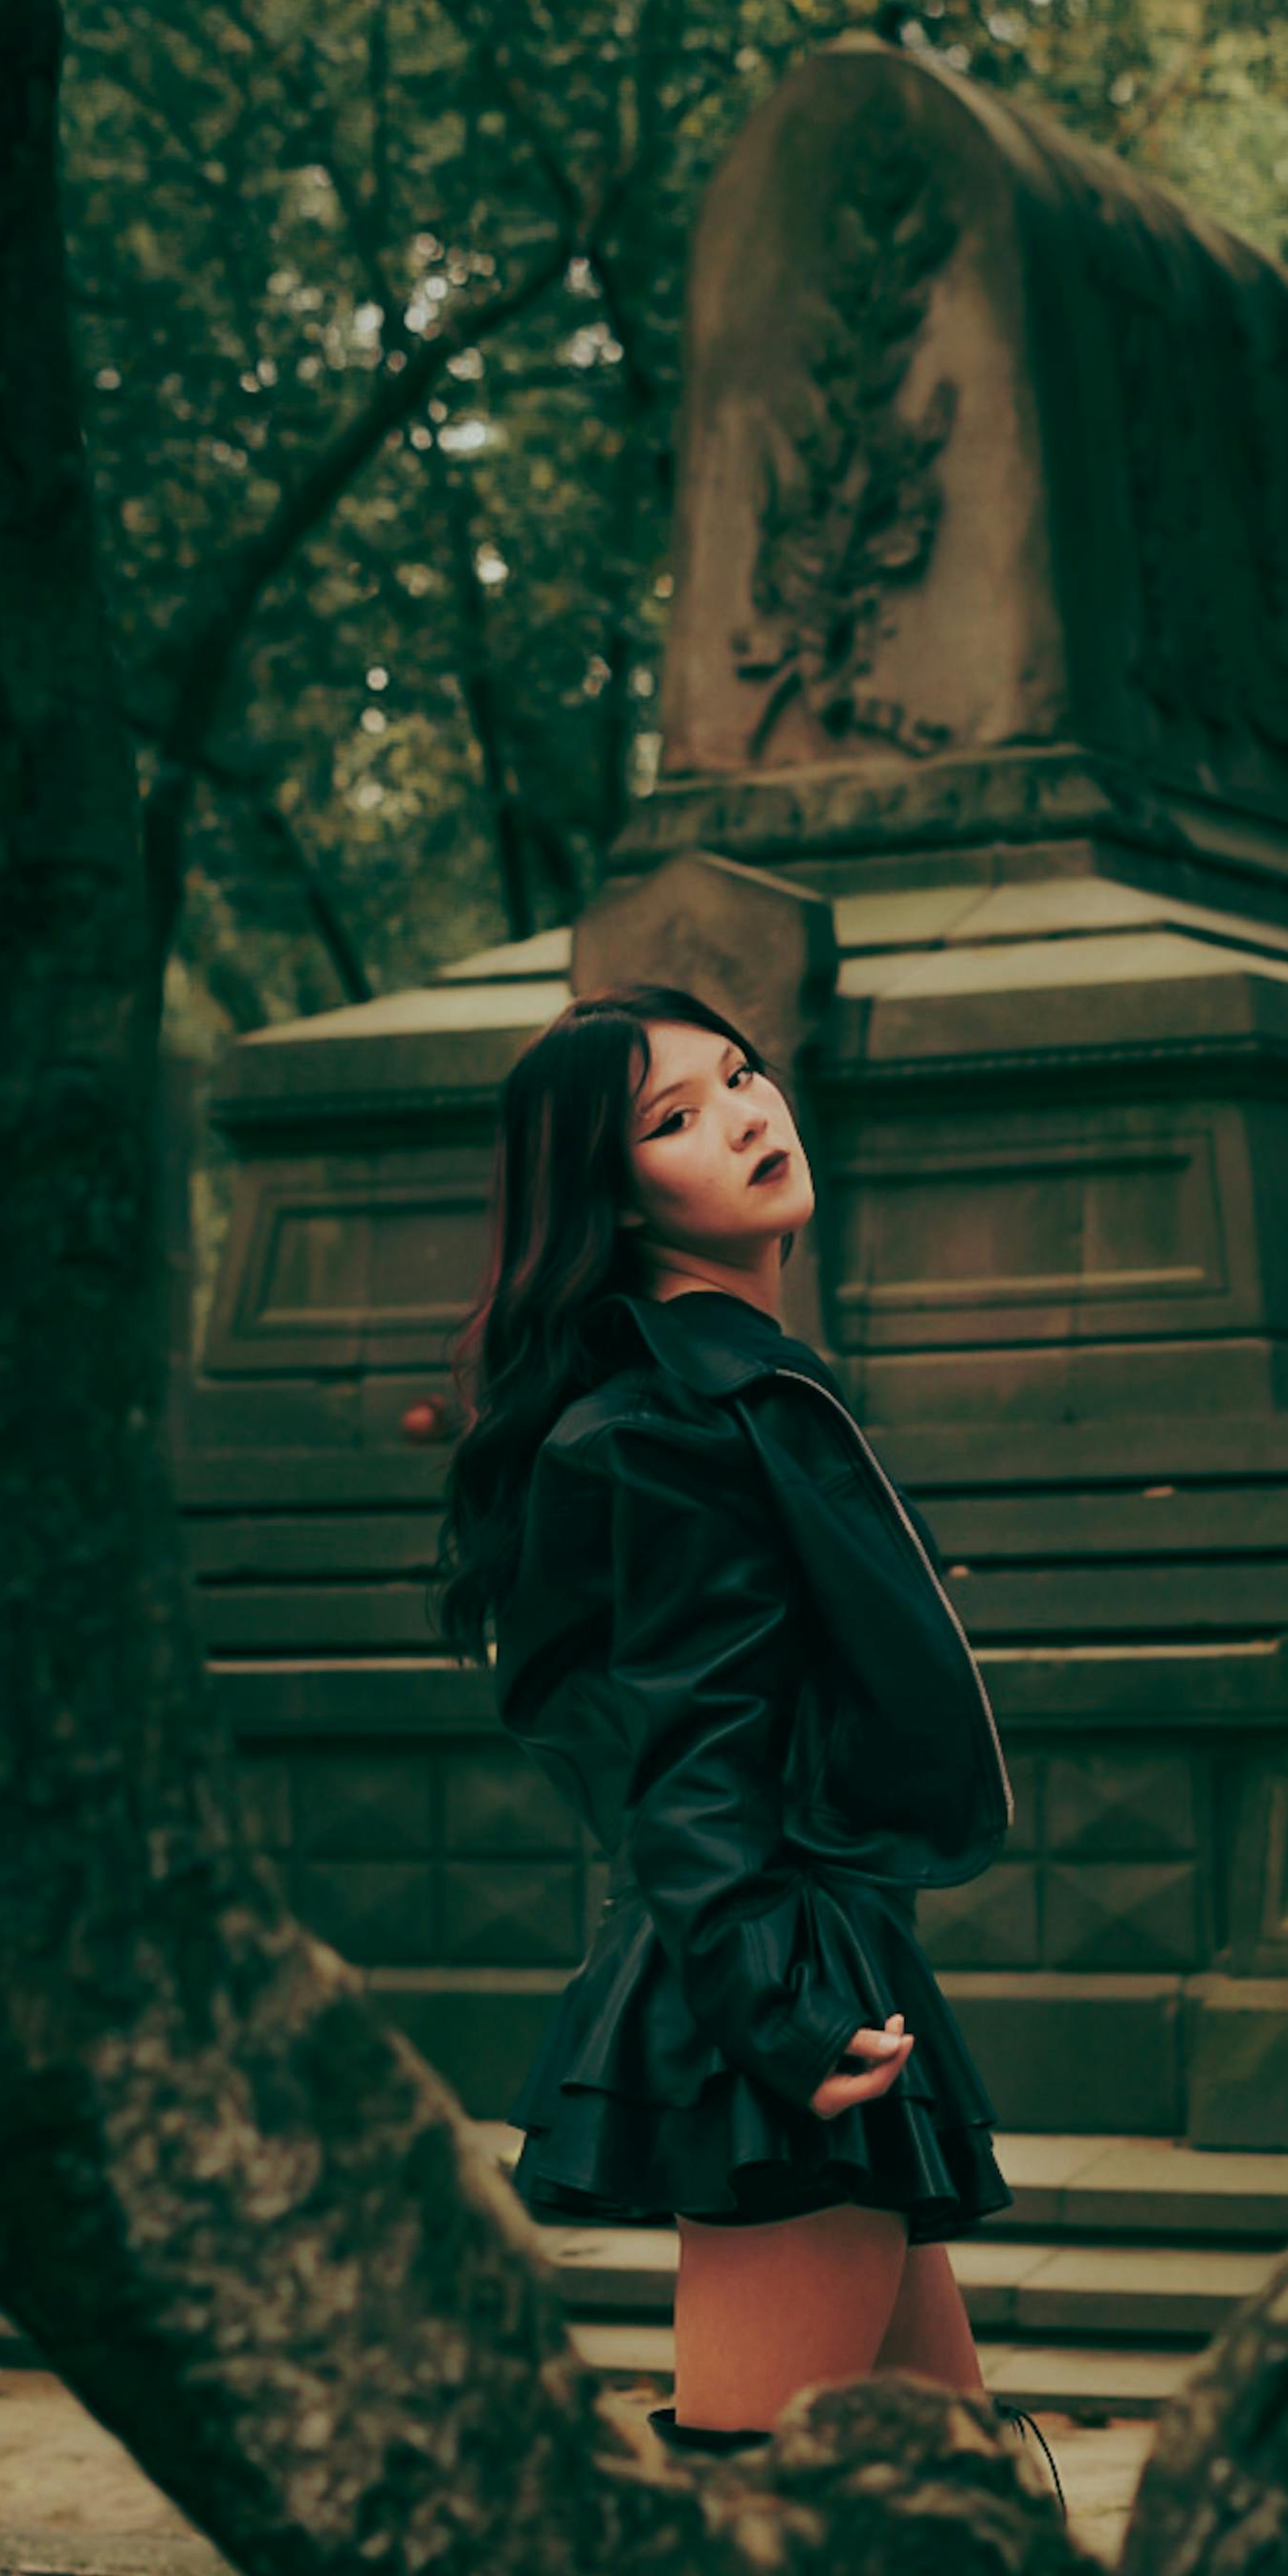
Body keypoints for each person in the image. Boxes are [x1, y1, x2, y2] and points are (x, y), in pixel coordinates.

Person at [433, 981, 1018, 2460]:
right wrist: (779, 2003)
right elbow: (688, 1750)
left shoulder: (738, 1389)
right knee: (769, 2515)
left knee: (936, 2490)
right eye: (674, 1119)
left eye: (742, 1074)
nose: (746, 1114)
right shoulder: (673, 1421)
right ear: (614, 1200)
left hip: (811, 1937)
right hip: (771, 1955)